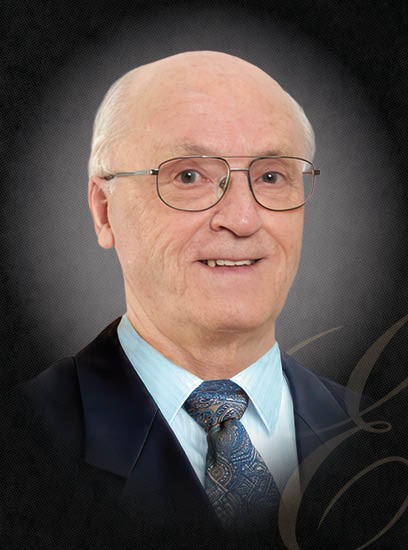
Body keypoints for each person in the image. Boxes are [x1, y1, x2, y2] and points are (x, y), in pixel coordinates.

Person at [3, 51, 401, 550]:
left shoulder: (384, 444)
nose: (242, 219)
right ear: (104, 211)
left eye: (271, 176)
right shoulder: (21, 449)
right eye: (189, 176)